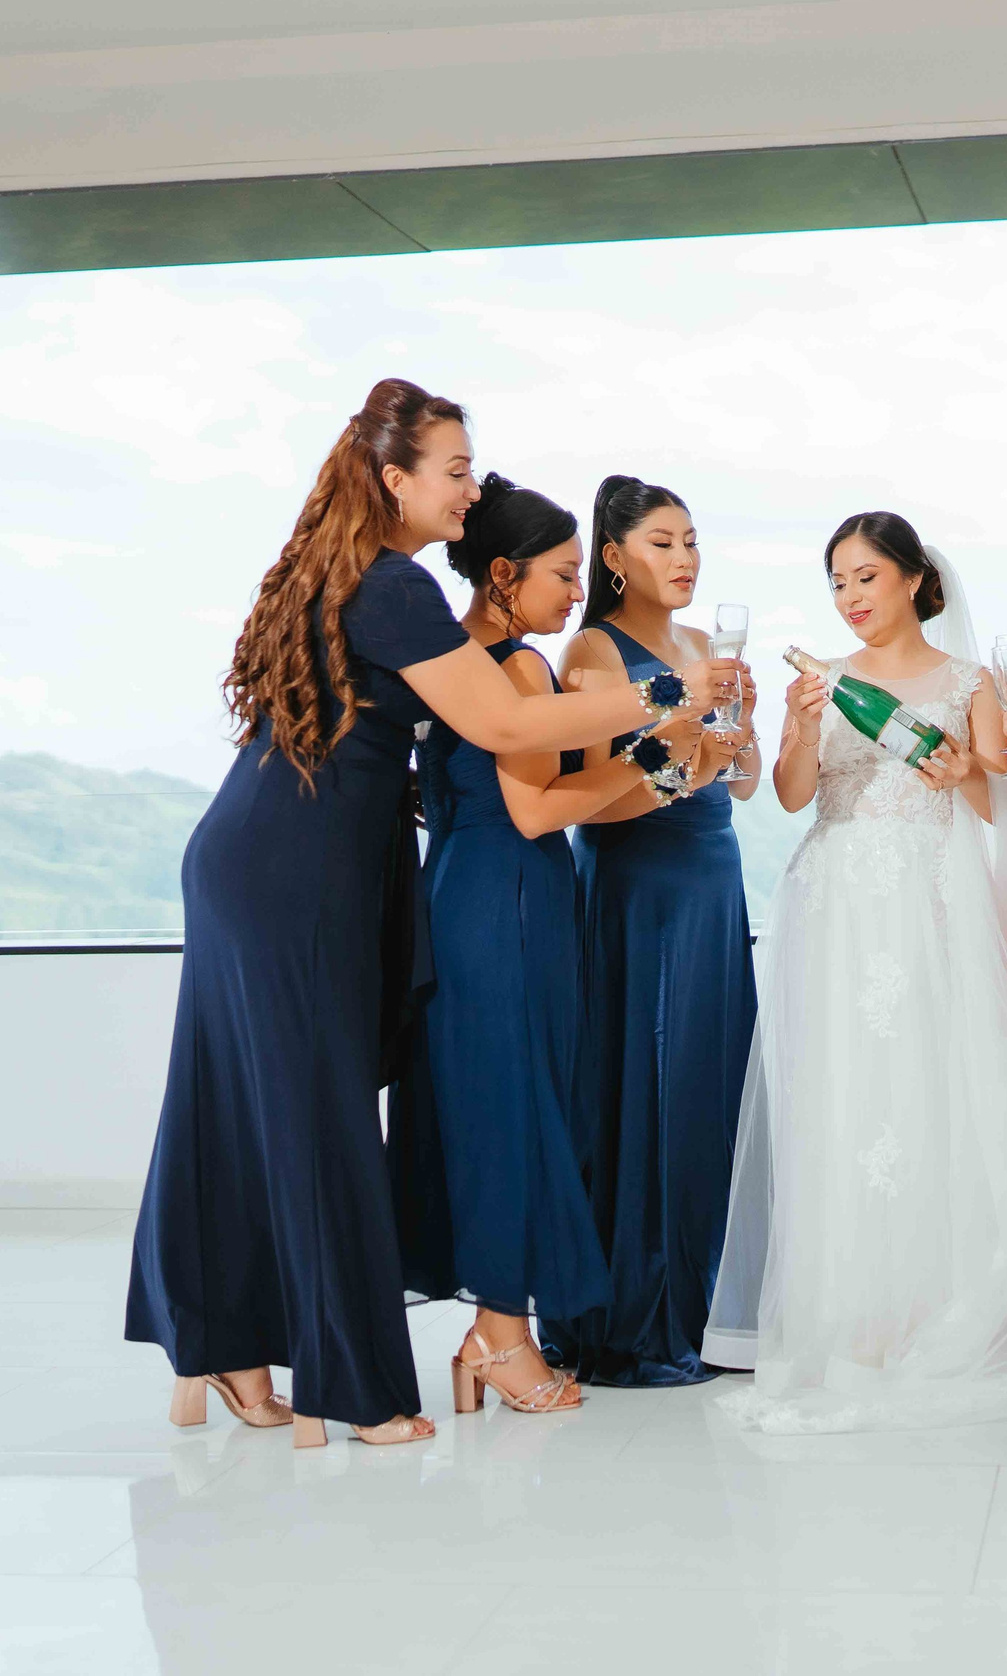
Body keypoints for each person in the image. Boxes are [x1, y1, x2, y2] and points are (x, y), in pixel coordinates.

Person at [125, 383, 737, 1448]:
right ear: (392, 479)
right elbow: (506, 718)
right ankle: (352, 1391)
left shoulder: (347, 576)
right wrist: (667, 697)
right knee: (316, 1121)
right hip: (295, 866)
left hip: (257, 850)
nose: (469, 486)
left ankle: (220, 1346)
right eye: (453, 469)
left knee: (230, 1106)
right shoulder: (393, 584)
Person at [702, 513, 1007, 1431]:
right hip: (838, 901)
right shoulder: (824, 682)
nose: (850, 600)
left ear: (914, 580)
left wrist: (966, 768)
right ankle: (853, 1308)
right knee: (845, 1094)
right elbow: (796, 795)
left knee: (934, 1085)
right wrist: (803, 731)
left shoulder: (965, 681)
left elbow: (1001, 797)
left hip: (931, 900)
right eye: (837, 583)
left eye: (865, 578)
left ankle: (946, 1297)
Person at [412, 473, 733, 1415]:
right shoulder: (516, 667)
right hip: (511, 895)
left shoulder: (466, 657)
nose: (573, 589)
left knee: (510, 1111)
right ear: (505, 576)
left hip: (486, 888)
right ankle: (500, 1337)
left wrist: (664, 770)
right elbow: (537, 810)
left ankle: (498, 1332)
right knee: (521, 1114)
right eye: (562, 572)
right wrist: (667, 771)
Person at [541, 476, 761, 1387]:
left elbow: (738, 783)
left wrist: (740, 746)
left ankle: (720, 1308)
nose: (684, 558)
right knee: (649, 1082)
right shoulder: (592, 647)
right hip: (638, 879)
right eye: (664, 542)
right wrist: (687, 742)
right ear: (616, 555)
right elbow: (598, 791)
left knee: (712, 1082)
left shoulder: (709, 645)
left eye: (692, 540)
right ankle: (640, 1311)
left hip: (714, 878)